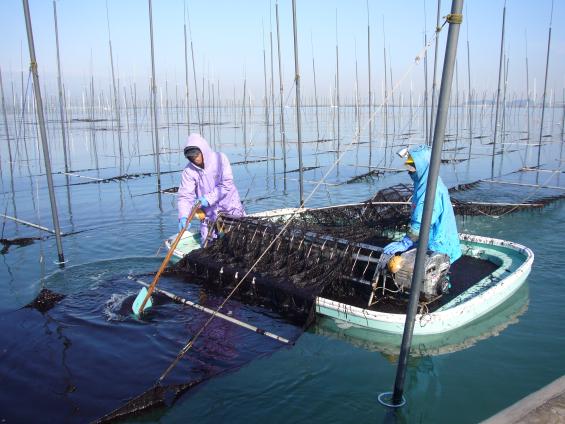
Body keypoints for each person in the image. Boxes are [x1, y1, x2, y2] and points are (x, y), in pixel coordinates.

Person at [383, 144, 461, 263]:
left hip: (439, 246)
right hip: (428, 241)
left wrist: (405, 243)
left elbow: (422, 221)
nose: (409, 170)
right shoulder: (422, 182)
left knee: (436, 278)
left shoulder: (431, 189)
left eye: (413, 165)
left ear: (424, 166)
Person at [177, 133, 245, 245]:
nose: (194, 158)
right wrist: (183, 216)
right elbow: (185, 196)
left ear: (203, 151)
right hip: (209, 215)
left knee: (238, 241)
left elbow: (226, 184)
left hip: (230, 208)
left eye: (196, 154)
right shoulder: (188, 171)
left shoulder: (220, 159)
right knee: (208, 245)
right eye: (190, 156)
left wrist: (207, 199)